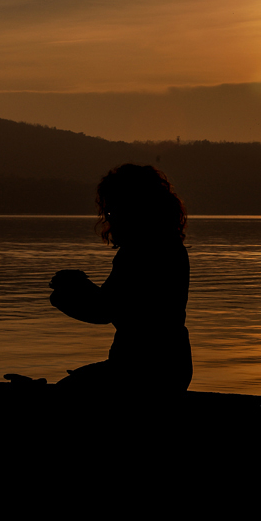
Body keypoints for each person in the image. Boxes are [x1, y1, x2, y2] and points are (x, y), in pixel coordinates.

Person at [49, 163, 192, 394]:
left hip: (139, 371)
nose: (109, 216)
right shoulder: (170, 246)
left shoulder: (139, 251)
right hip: (174, 368)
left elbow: (104, 311)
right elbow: (117, 304)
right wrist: (81, 288)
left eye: (111, 209)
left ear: (131, 207)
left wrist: (67, 294)